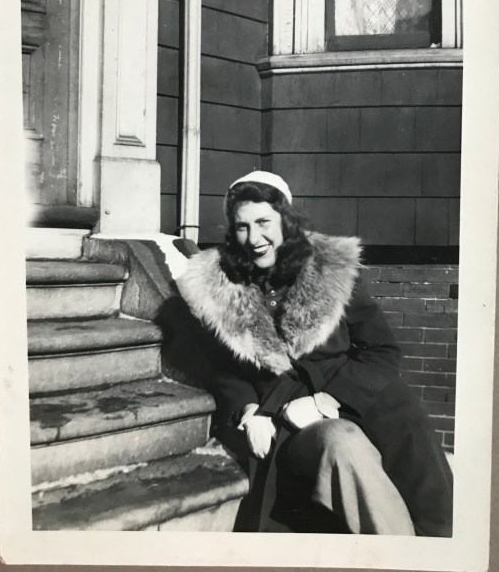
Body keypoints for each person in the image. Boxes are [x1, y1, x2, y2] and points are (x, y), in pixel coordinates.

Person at [176, 171, 453, 535]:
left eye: (263, 222)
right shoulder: (220, 287)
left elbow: (382, 350)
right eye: (242, 226)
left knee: (410, 430)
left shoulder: (330, 270)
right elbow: (220, 368)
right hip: (283, 415)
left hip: (350, 392)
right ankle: (397, 551)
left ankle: (440, 538)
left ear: (286, 220)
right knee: (342, 443)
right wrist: (247, 409)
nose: (254, 238)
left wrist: (325, 401)